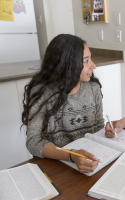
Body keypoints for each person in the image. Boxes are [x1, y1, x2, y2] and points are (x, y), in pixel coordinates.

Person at [22, 34, 104, 173]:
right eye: (86, 61)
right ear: (66, 65)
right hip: (57, 165)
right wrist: (72, 156)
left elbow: (99, 125)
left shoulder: (93, 87)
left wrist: (106, 132)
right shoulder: (42, 92)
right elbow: (34, 141)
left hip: (90, 161)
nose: (93, 65)